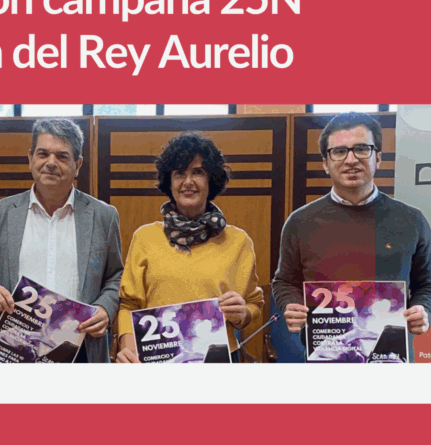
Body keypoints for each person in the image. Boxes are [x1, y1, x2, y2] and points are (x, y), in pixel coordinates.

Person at [272, 112, 431, 353]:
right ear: (326, 163)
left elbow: (427, 283)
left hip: (390, 357)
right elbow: (284, 281)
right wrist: (291, 304)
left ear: (378, 158)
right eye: (339, 151)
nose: (351, 159)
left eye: (361, 149)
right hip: (325, 354)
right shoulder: (300, 222)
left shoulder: (412, 219)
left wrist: (423, 308)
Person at [0, 118, 124, 363]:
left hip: (81, 352)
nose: (51, 163)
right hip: (14, 349)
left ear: (78, 165)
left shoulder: (103, 216)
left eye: (62, 156)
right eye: (43, 153)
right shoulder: (0, 213)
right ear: (30, 158)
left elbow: (116, 276)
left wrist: (106, 308)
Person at [116, 132, 264, 363]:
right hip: (157, 358)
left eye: (198, 172)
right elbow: (128, 304)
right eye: (179, 173)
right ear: (169, 181)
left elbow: (254, 304)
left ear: (211, 179)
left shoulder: (238, 241)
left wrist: (243, 313)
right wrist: (126, 345)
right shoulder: (145, 237)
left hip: (218, 360)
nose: (188, 182)